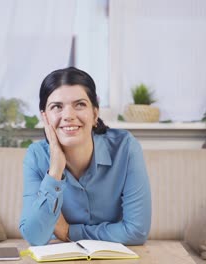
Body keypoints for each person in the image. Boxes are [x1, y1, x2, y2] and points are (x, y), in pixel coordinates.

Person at [19, 67, 151, 246]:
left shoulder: (125, 148)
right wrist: (55, 172)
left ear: (95, 113)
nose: (68, 116)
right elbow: (34, 237)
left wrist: (68, 232)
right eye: (57, 107)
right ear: (45, 118)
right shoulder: (36, 156)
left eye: (79, 105)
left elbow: (136, 231)